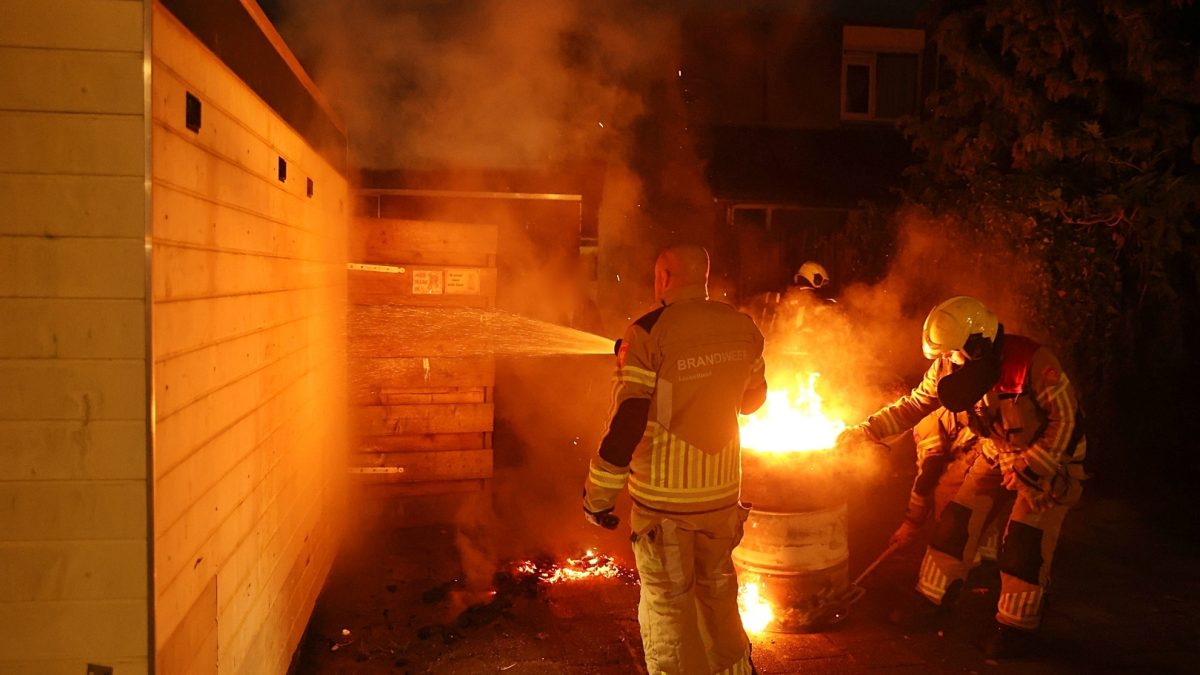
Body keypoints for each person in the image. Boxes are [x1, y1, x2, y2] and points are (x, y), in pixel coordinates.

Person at [837, 296, 1086, 658]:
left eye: (954, 354)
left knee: (1023, 544)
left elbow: (1067, 419)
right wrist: (867, 430)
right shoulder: (948, 367)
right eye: (946, 355)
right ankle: (931, 600)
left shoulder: (1032, 363)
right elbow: (914, 405)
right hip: (997, 453)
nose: (949, 362)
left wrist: (1032, 467)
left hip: (1050, 464)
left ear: (979, 343)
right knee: (956, 522)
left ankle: (1015, 628)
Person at [582, 244, 768, 675]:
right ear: (703, 277)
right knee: (717, 594)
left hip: (664, 505)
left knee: (667, 606)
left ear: (663, 277)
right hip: (722, 499)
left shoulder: (647, 332)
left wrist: (598, 497)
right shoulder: (742, 327)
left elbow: (629, 420)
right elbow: (753, 401)